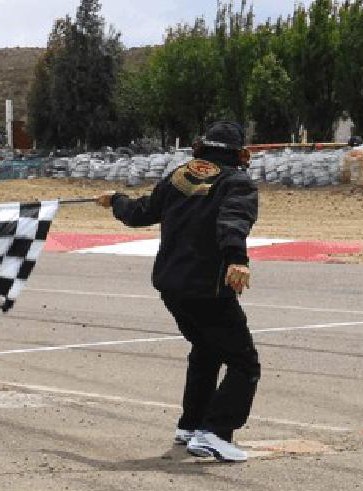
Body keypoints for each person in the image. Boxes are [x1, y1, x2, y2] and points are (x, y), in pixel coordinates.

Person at [96, 121, 260, 462]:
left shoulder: (178, 177)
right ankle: (215, 432)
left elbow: (141, 213)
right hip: (209, 289)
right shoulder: (236, 182)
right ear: (240, 154)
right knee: (244, 363)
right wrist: (236, 259)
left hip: (172, 286)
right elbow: (233, 220)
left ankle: (191, 425)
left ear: (201, 148)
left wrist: (117, 200)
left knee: (206, 350)